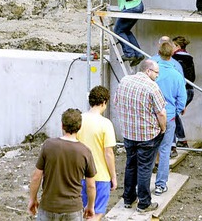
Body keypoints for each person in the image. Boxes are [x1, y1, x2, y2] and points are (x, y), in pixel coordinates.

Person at [113, 59, 167, 213]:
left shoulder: (124, 81)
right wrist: (163, 129)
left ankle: (128, 199)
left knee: (130, 165)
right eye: (156, 72)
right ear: (148, 71)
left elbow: (117, 102)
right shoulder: (152, 87)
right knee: (144, 168)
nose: (157, 76)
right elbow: (161, 113)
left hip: (129, 133)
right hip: (147, 135)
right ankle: (144, 203)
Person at [27, 108, 97, 220]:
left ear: (62, 125)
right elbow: (91, 185)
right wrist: (90, 206)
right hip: (73, 209)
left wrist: (32, 199)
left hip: (48, 207)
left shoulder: (48, 145)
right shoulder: (85, 151)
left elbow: (36, 177)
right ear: (79, 127)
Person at [77, 86, 117, 221]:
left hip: (78, 175)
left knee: (81, 212)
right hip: (100, 175)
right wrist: (113, 176)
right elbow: (108, 153)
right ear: (104, 102)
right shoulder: (106, 124)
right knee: (96, 214)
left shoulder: (78, 120)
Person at [152, 40, 187, 196]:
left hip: (151, 117)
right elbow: (182, 98)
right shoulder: (176, 73)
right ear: (173, 52)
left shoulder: (151, 70)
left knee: (148, 151)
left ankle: (144, 185)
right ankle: (160, 185)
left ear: (158, 51)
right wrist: (175, 112)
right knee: (165, 151)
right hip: (169, 117)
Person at [172, 35, 196, 148]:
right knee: (174, 116)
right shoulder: (189, 58)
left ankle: (173, 144)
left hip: (182, 91)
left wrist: (179, 97)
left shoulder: (176, 59)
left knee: (170, 116)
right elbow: (193, 77)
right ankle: (182, 140)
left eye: (172, 45)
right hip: (189, 91)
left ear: (177, 46)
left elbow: (178, 79)